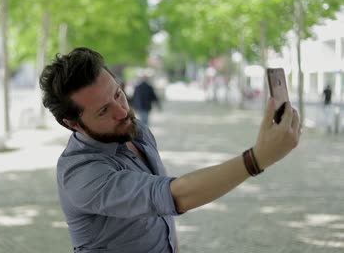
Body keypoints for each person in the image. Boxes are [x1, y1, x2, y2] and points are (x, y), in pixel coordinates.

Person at [39, 47, 301, 253]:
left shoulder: (135, 130)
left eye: (118, 94)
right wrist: (256, 159)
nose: (122, 111)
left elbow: (161, 213)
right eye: (103, 110)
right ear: (72, 124)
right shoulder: (80, 174)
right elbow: (174, 196)